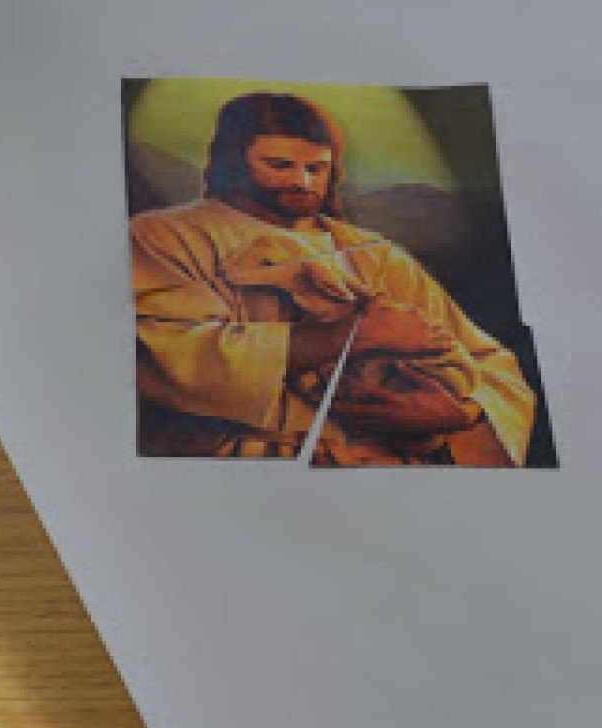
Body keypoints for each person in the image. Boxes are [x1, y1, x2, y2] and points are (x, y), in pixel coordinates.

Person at [130, 91, 536, 465]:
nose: (303, 182)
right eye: (280, 165)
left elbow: (491, 364)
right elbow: (167, 353)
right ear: (233, 162)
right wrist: (348, 335)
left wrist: (461, 414)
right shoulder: (162, 237)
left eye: (316, 168)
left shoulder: (374, 254)